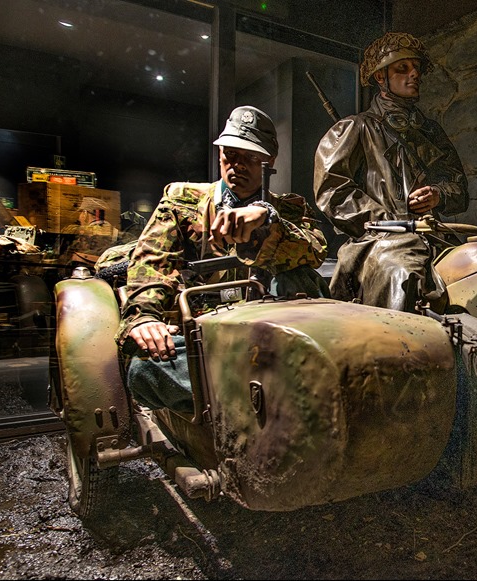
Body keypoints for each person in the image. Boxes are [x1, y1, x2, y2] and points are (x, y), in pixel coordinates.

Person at [116, 105, 328, 412]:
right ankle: (269, 389)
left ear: (270, 162)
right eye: (230, 154)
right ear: (219, 155)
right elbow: (152, 263)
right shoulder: (181, 201)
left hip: (272, 334)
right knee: (146, 370)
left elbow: (314, 250)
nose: (236, 166)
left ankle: (254, 388)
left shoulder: (289, 210)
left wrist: (267, 222)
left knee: (302, 279)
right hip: (209, 337)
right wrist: (144, 318)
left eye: (250, 158)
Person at [313, 31, 468, 313]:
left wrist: (438, 195)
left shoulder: (431, 133)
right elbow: (332, 191)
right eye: (402, 68)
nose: (414, 74)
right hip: (378, 242)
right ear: (380, 78)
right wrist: (388, 220)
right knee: (403, 273)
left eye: (417, 68)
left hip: (436, 236)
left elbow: (458, 188)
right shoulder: (355, 128)